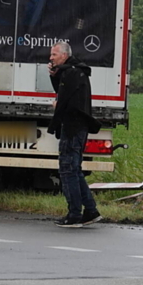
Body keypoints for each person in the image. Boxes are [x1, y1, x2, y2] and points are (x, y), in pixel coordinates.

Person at [48, 40, 102, 228]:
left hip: (72, 126)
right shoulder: (74, 71)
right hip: (78, 126)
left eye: (54, 55)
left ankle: (74, 214)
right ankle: (90, 211)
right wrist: (54, 76)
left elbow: (65, 100)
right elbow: (63, 91)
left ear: (64, 55)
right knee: (75, 169)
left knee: (68, 169)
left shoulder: (71, 73)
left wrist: (57, 106)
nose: (51, 58)